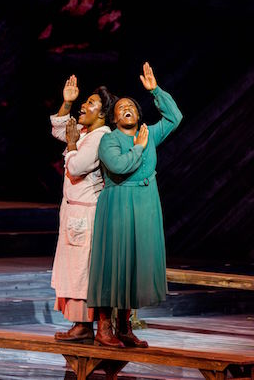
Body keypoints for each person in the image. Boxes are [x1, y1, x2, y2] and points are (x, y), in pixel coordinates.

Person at [87, 62, 183, 348]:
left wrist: (155, 91)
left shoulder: (150, 134)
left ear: (138, 114)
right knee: (113, 262)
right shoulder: (109, 140)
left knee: (134, 265)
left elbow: (175, 117)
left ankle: (125, 326)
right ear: (115, 117)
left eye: (131, 106)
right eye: (121, 107)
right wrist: (139, 148)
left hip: (145, 204)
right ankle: (104, 327)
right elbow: (118, 165)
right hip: (118, 203)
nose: (126, 108)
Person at [50, 74, 118, 342]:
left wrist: (70, 145)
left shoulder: (101, 138)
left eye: (90, 103)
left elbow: (76, 167)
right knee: (74, 268)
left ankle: (87, 324)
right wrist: (67, 103)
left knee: (83, 270)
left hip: (87, 213)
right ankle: (81, 324)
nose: (84, 106)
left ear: (102, 114)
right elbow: (59, 129)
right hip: (74, 211)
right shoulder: (88, 133)